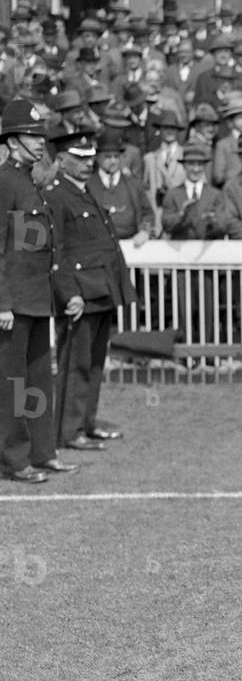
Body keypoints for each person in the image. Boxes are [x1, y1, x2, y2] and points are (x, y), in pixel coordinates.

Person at [0, 100, 78, 482]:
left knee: (37, 382)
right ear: (12, 143)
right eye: (30, 136)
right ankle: (15, 460)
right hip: (12, 303)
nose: (38, 142)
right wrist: (2, 302)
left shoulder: (28, 181)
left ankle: (43, 451)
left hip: (35, 298)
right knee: (13, 386)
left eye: (39, 135)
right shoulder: (4, 182)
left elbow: (37, 246)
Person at [46, 130, 137, 451]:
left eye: (89, 158)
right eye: (79, 158)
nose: (87, 164)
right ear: (60, 160)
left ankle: (85, 422)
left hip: (101, 287)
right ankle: (69, 431)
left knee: (96, 362)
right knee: (75, 363)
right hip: (81, 292)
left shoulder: (85, 191)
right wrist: (68, 293)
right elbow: (56, 251)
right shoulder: (56, 195)